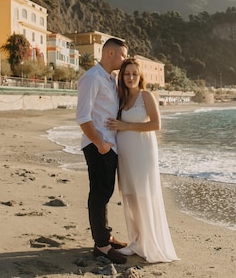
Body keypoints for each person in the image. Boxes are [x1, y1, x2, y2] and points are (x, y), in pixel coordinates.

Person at [105, 58, 179, 263]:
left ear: (140, 77)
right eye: (126, 74)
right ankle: (136, 241)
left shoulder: (146, 96)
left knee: (144, 195)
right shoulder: (121, 98)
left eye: (134, 74)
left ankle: (150, 243)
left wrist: (125, 126)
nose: (130, 78)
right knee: (130, 196)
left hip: (143, 152)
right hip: (125, 154)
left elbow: (156, 125)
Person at [75, 38, 129, 264]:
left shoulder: (110, 79)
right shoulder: (91, 78)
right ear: (110, 53)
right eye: (123, 55)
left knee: (105, 193)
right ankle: (102, 246)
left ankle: (105, 236)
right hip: (99, 146)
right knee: (98, 194)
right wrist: (100, 144)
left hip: (109, 145)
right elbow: (83, 117)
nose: (125, 59)